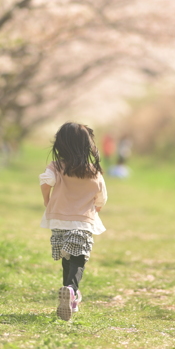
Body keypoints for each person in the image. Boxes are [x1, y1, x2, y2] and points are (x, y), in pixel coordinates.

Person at [39, 122, 107, 321]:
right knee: (79, 258)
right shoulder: (93, 171)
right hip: (82, 221)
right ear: (88, 145)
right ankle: (71, 290)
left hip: (59, 219)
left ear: (60, 144)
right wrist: (97, 208)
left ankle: (69, 295)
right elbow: (101, 197)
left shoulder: (56, 167)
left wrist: (47, 199)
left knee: (67, 257)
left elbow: (46, 182)